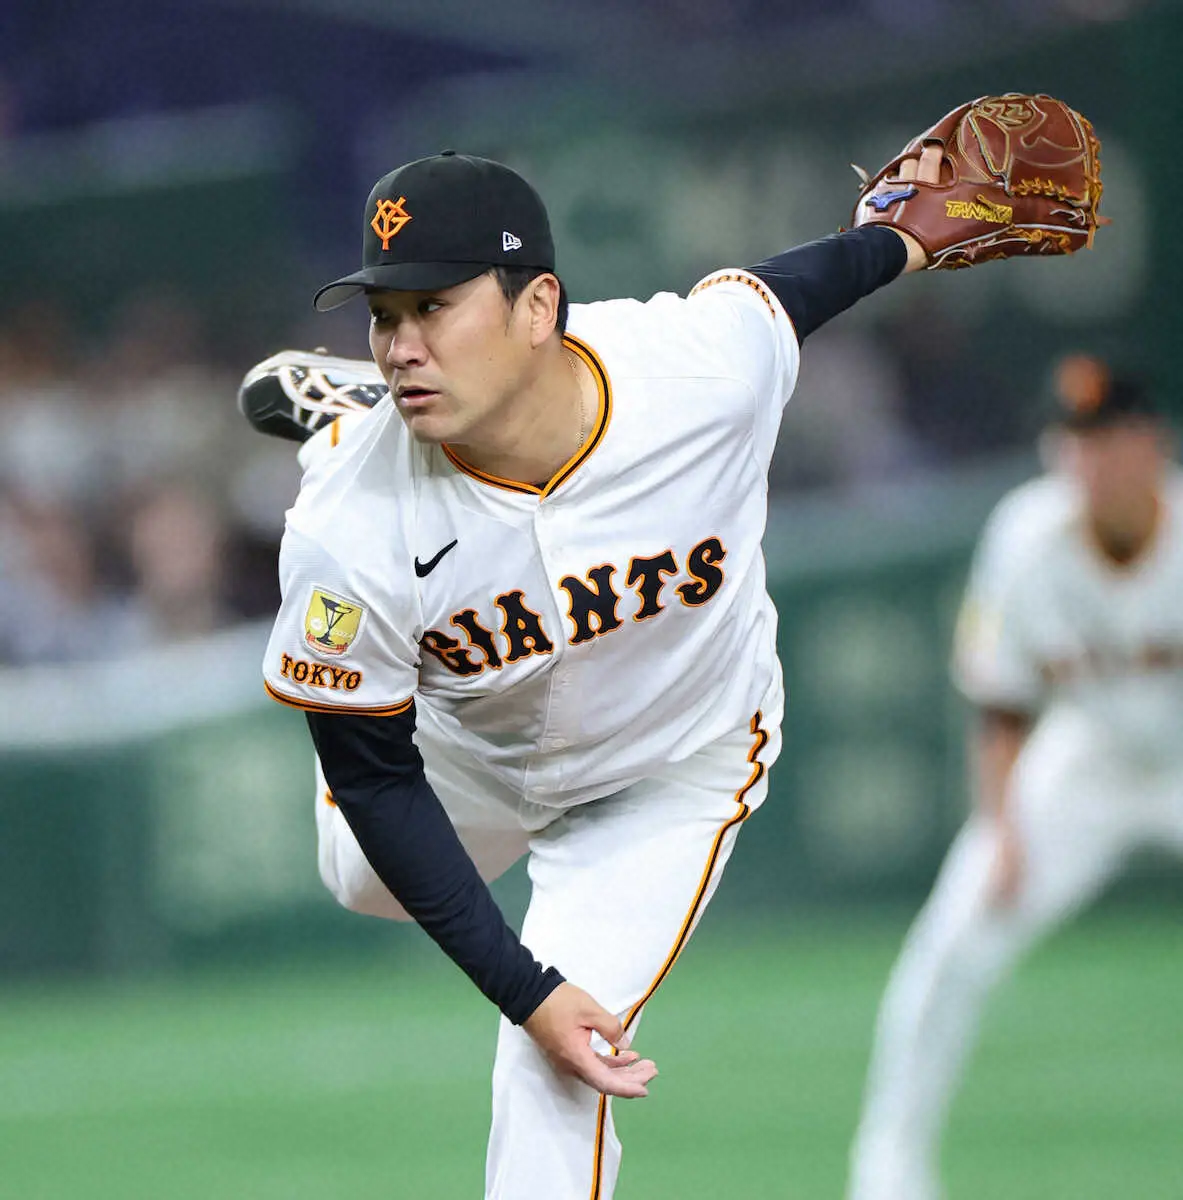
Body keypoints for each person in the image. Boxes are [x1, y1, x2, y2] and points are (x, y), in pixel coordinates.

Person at [239, 140, 1050, 1199]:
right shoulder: (347, 528)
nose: (401, 342)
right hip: (464, 761)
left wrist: (899, 237)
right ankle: (347, 428)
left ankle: (355, 420)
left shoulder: (697, 373)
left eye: (433, 306)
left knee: (554, 1068)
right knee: (362, 880)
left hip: (669, 766)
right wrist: (522, 984)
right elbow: (377, 782)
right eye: (383, 318)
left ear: (539, 305)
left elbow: (799, 288)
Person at [846, 355, 1183, 1200]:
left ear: (1149, 444)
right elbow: (1000, 705)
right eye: (1071, 440)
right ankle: (889, 1169)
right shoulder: (1026, 536)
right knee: (952, 939)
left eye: (1103, 438)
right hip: (1088, 759)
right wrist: (1001, 834)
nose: (1085, 460)